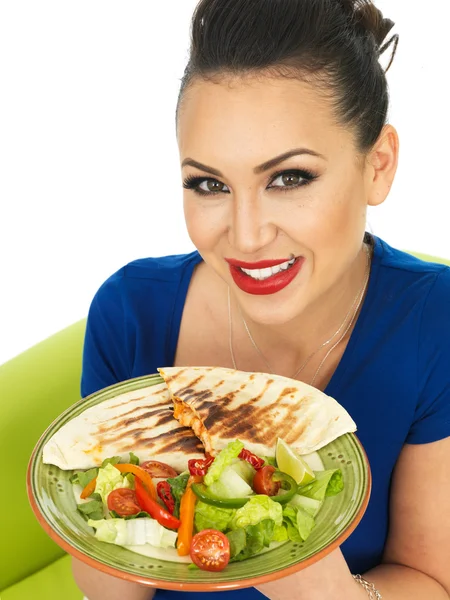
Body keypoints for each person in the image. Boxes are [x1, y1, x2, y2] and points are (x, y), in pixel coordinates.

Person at [72, 0, 450, 598]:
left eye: (290, 177)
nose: (246, 236)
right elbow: (114, 589)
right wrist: (109, 507)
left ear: (377, 165)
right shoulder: (130, 314)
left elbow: (433, 578)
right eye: (209, 184)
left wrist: (326, 591)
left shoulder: (434, 323)